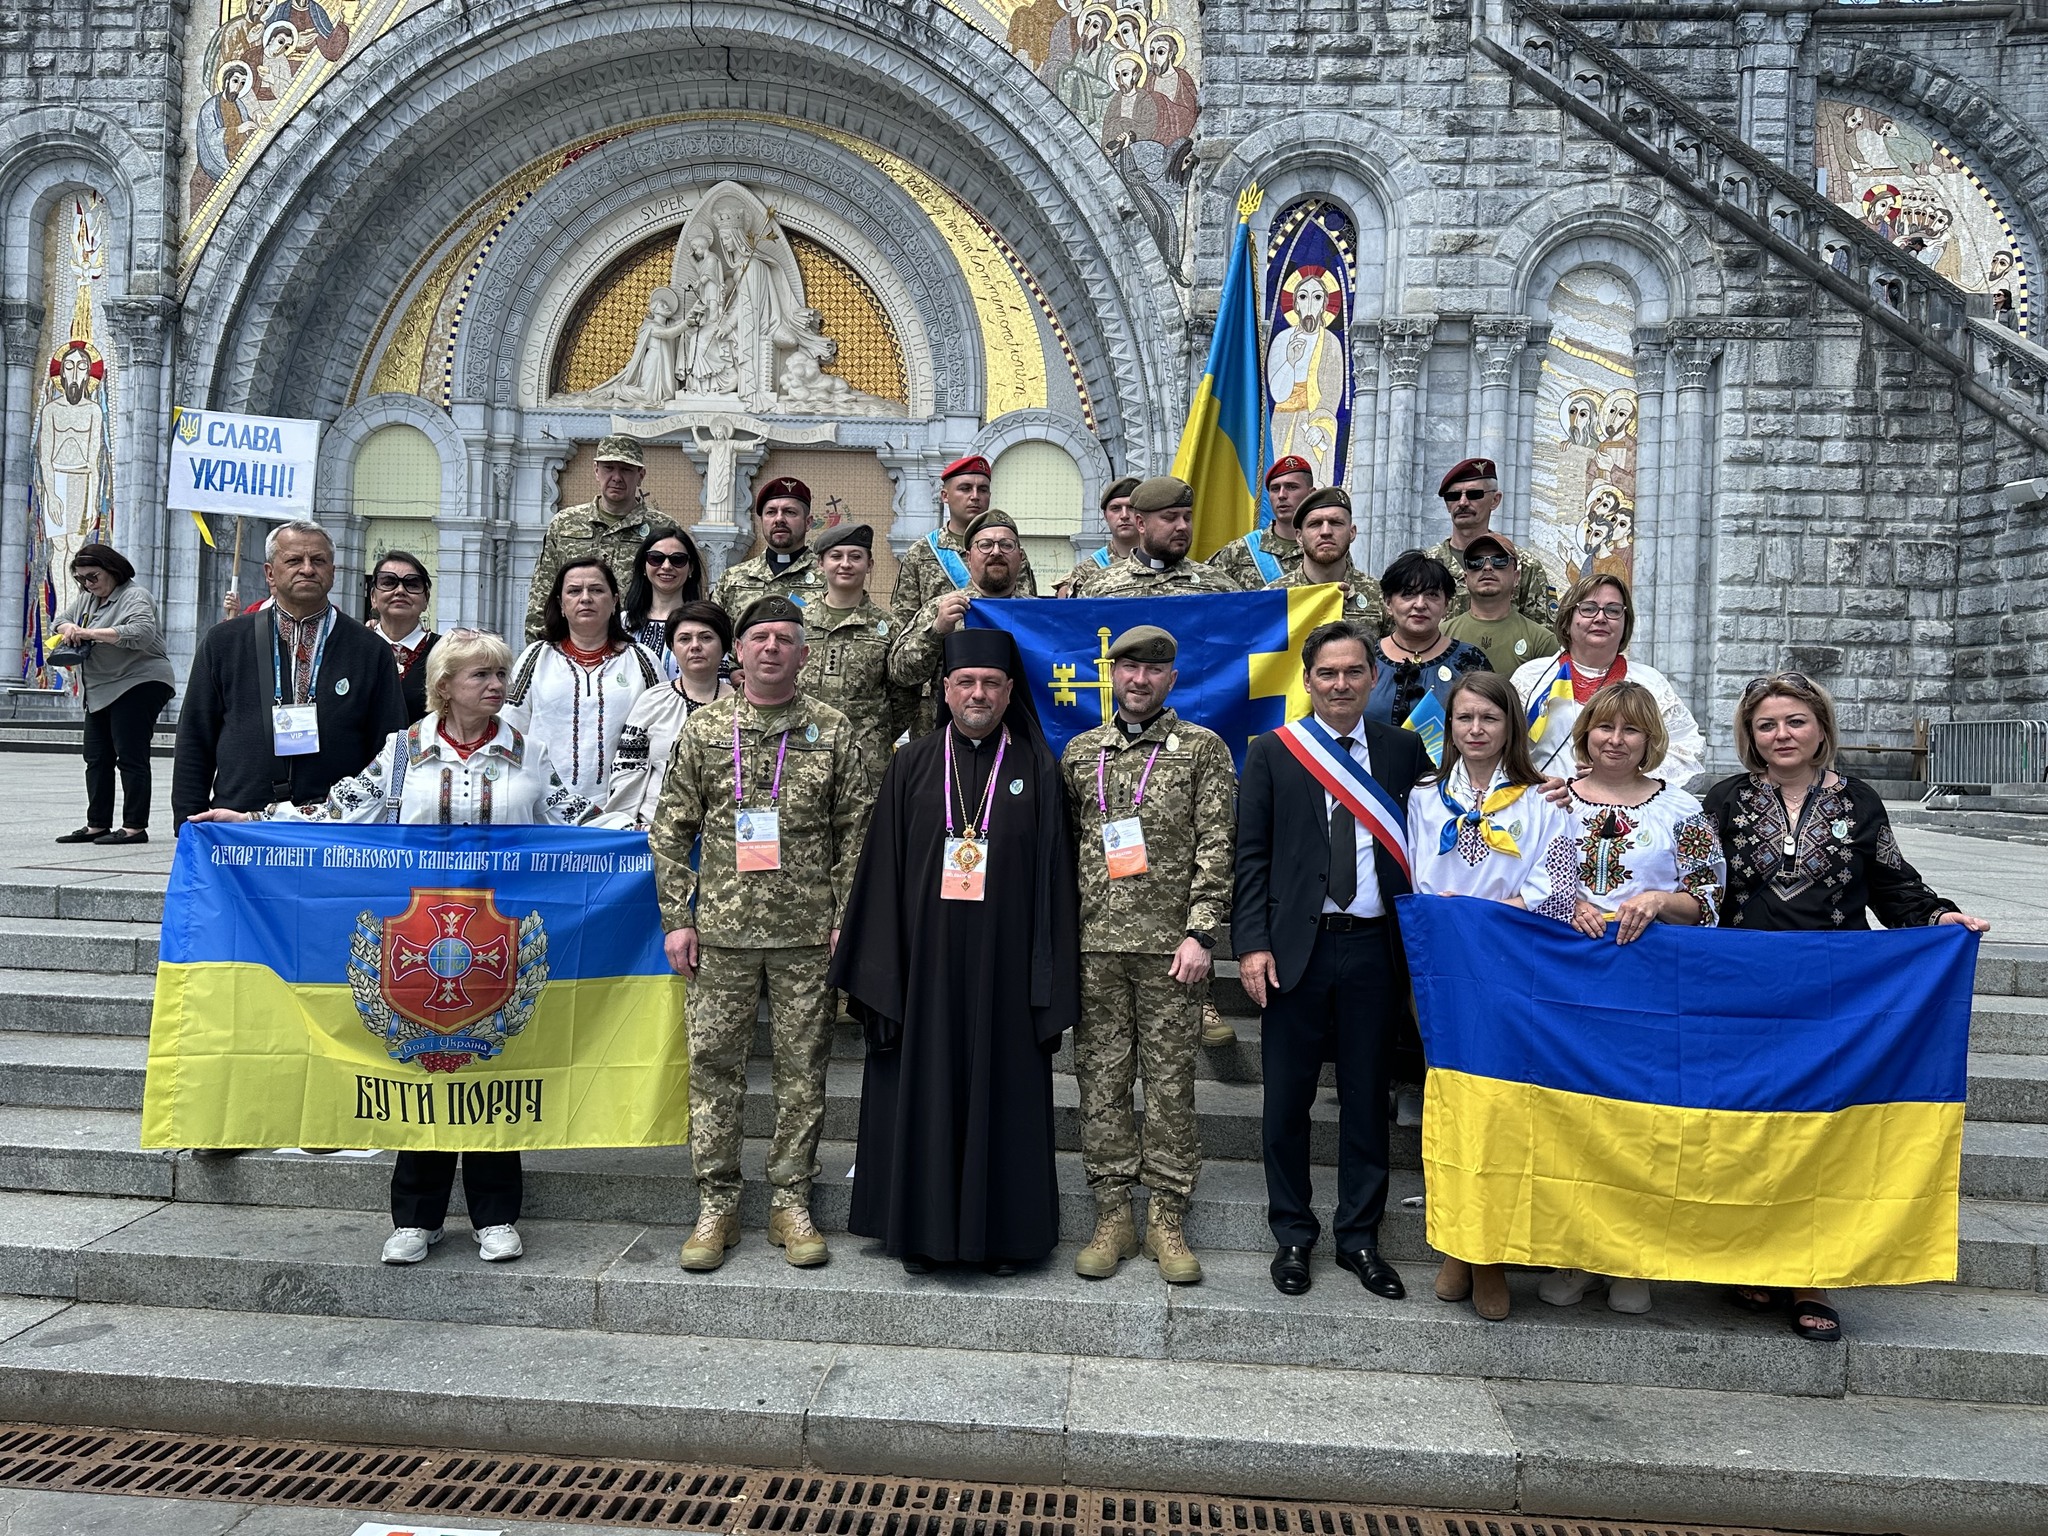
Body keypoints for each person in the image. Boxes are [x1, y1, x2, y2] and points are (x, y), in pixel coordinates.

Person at [189, 629, 599, 1267]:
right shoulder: (402, 753)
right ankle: (415, 1217)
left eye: (499, 673)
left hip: (499, 941)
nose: (496, 685)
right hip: (417, 940)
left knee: (495, 1069)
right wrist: (255, 823)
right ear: (444, 686)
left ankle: (496, 1214)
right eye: (481, 675)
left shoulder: (529, 754)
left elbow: (583, 822)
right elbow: (338, 812)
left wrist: (654, 835)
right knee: (421, 1070)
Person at [1704, 671, 1990, 1344]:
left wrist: (1938, 917)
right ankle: (1751, 1257)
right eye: (1766, 724)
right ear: (1750, 735)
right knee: (1751, 1128)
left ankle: (1813, 1275)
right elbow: (1694, 884)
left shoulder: (1859, 802)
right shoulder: (1723, 800)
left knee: (1822, 1135)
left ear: (1821, 728)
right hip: (1744, 992)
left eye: (1795, 721)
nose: (1781, 734)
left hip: (1834, 996)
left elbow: (1892, 885)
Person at [832, 628, 1079, 1274]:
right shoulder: (911, 764)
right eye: (965, 682)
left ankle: (1005, 1238)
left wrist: (1047, 981)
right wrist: (881, 973)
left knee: (1004, 1097)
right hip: (925, 970)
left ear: (1009, 691)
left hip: (1006, 971)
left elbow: (1057, 882)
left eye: (991, 683)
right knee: (925, 1092)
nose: (978, 694)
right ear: (944, 690)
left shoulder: (1036, 768)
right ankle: (921, 1234)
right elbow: (881, 873)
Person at [651, 597, 864, 1273]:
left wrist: (846, 918)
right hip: (721, 934)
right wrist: (678, 919)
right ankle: (717, 1203)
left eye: (785, 639)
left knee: (804, 1072)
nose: (771, 647)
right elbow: (670, 829)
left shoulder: (832, 729)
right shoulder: (707, 729)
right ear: (738, 652)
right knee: (714, 1070)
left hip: (807, 936)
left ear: (804, 654)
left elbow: (856, 832)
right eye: (759, 637)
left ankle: (790, 1201)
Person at [1234, 620, 1430, 1300]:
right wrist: (1251, 943)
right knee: (1286, 1099)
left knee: (1366, 1098)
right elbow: (1250, 856)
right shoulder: (1273, 751)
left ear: (1373, 677)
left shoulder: (1403, 750)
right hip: (1298, 949)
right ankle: (1292, 1233)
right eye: (1327, 673)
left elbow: (1452, 816)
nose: (1340, 684)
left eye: (1352, 672)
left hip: (1375, 948)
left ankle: (1359, 1238)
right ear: (1308, 680)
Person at [1542, 679, 1726, 1320]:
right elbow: (1527, 879)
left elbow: (1708, 899)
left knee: (1639, 1122)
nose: (1615, 740)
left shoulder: (1681, 810)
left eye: (1631, 730)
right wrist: (1566, 902)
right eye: (1604, 727)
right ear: (1584, 732)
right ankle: (1572, 1253)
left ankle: (1632, 1257)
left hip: (1647, 987)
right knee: (1573, 1118)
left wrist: (1658, 899)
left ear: (1651, 741)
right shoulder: (1552, 801)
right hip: (1568, 985)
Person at [1059, 624, 1235, 1284]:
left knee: (1169, 1086)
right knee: (1101, 1085)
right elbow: (1064, 850)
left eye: (1153, 670)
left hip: (1171, 952)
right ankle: (1112, 1215)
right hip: (1096, 949)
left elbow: (1217, 845)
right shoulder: (1081, 753)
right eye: (1128, 669)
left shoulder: (1201, 749)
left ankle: (1166, 1215)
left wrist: (1202, 934)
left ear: (1172, 679)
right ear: (1113, 676)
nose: (1140, 680)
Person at [1404, 671, 1580, 1321]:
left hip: (1512, 968)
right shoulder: (1425, 797)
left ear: (1512, 726)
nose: (1476, 729)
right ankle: (1461, 1243)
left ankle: (1490, 1253)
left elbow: (1557, 890)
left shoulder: (1544, 801)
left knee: (1503, 1110)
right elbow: (1416, 876)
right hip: (1445, 972)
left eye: (1490, 718)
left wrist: (1487, 915)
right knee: (1453, 1104)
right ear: (1449, 727)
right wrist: (1452, 921)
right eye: (1465, 718)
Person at [172, 520, 407, 828]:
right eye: (294, 560)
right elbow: (195, 735)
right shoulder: (224, 641)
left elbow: (389, 746)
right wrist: (188, 822)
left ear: (333, 572)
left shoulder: (369, 649)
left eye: (318, 560)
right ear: (270, 573)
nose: (307, 569)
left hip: (336, 822)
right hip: (239, 820)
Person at [1513, 572, 1704, 787]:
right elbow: (1501, 748)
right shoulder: (1531, 677)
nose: (1600, 618)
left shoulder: (1650, 683)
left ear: (1625, 624)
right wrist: (1534, 780)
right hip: (1542, 799)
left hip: (1622, 803)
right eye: (1588, 609)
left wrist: (1624, 775)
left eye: (1613, 610)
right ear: (1567, 620)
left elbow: (1689, 753)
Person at [50, 544, 177, 846]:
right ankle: (97, 824)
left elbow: (141, 632)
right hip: (101, 687)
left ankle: (134, 826)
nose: (87, 584)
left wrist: (89, 633)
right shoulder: (87, 599)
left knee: (130, 755)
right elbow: (59, 622)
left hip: (139, 681)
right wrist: (70, 627)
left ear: (112, 570)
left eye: (92, 577)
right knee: (96, 757)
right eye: (81, 579)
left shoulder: (135, 596)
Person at [504, 557, 662, 796]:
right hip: (543, 803)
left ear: (614, 602)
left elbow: (662, 734)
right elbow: (510, 730)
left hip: (622, 805)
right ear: (561, 604)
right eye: (574, 591)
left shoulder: (642, 660)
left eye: (596, 590)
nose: (585, 598)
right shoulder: (536, 657)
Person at [797, 521, 915, 799]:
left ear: (869, 564)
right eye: (836, 556)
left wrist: (874, 733)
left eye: (855, 556)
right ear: (820, 564)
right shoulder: (797, 624)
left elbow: (904, 696)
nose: (845, 564)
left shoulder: (889, 627)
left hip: (866, 762)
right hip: (802, 752)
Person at [523, 435, 679, 643]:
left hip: (638, 642)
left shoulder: (663, 528)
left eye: (626, 470)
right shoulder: (565, 524)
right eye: (608, 468)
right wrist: (538, 647)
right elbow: (543, 591)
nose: (616, 477)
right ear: (596, 470)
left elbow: (680, 593)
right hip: (574, 643)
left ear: (640, 475)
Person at [600, 600, 734, 828]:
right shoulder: (653, 701)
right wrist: (625, 829)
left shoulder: (743, 706)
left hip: (723, 835)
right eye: (684, 639)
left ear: (724, 645)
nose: (695, 646)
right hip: (656, 832)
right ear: (672, 647)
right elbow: (627, 771)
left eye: (706, 637)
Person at [889, 510, 1031, 710]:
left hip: (1027, 726)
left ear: (1020, 557)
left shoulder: (1036, 614)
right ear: (969, 557)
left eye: (1006, 545)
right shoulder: (940, 609)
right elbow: (900, 674)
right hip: (952, 727)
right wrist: (936, 631)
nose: (996, 552)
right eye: (985, 545)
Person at [890, 454, 1040, 630]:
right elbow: (902, 623)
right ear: (945, 496)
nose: (975, 496)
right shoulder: (922, 553)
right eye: (965, 488)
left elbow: (1026, 612)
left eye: (982, 490)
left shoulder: (1009, 551)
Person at [1366, 550, 1492, 732]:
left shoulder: (1470, 660)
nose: (1420, 604)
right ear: (1388, 603)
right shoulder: (1366, 657)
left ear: (1446, 604)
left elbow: (1491, 722)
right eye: (1408, 594)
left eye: (1432, 595)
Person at [1425, 458, 1554, 622]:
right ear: (1447, 504)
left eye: (1474, 494)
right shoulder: (1425, 565)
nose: (1462, 502)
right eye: (1453, 496)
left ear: (1495, 500)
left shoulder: (1523, 564)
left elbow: (1543, 631)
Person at [1263, 487, 1388, 637]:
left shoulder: (1380, 596)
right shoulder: (1273, 597)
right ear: (1299, 537)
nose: (1325, 532)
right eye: (1315, 524)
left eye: (1336, 523)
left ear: (1352, 533)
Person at [1090, 476, 1239, 596]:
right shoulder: (1101, 588)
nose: (1182, 526)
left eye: (1187, 518)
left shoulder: (1219, 587)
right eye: (1170, 518)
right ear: (1141, 524)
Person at [1442, 531, 1555, 676]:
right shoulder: (1442, 635)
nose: (1487, 567)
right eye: (1476, 562)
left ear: (1516, 577)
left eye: (1499, 560)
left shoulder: (1542, 641)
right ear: (1465, 579)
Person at [712, 477, 827, 616]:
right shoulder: (732, 579)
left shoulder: (828, 576)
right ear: (762, 521)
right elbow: (714, 627)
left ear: (808, 522)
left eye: (790, 512)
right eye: (771, 512)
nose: (779, 519)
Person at [1208, 456, 1312, 590]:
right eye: (1275, 489)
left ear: (1311, 494)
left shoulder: (1324, 546)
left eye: (1292, 487)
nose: (1281, 495)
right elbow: (1204, 592)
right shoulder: (1240, 550)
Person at [362, 551, 440, 725]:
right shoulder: (353, 648)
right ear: (373, 597)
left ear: (426, 599)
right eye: (389, 582)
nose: (400, 591)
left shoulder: (445, 652)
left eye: (412, 584)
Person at [621, 527, 709, 664]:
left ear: (691, 568)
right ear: (644, 566)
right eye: (656, 558)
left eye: (677, 559)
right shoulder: (622, 623)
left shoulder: (707, 624)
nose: (666, 566)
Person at [1061, 475, 1143, 597]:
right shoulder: (1086, 571)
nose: (1124, 515)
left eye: (1131, 507)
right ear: (1105, 516)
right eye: (1116, 508)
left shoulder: (1163, 563)